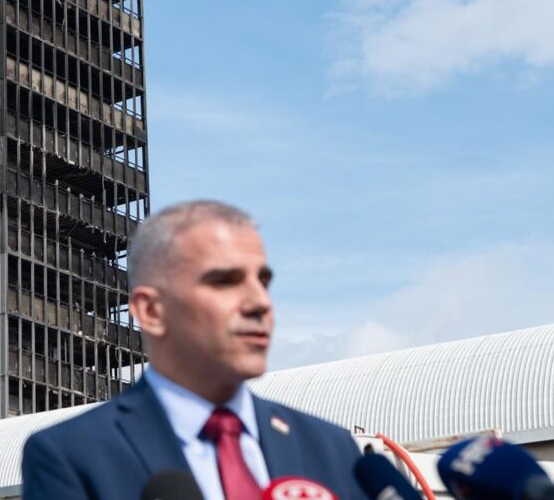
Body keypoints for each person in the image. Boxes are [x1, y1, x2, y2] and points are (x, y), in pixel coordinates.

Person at [21, 200, 368, 500]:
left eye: (263, 281)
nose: (260, 302)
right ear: (152, 311)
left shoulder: (332, 449)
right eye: (223, 281)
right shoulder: (73, 456)